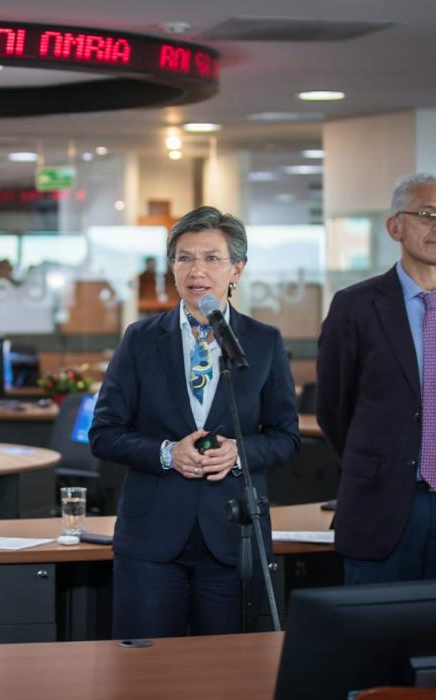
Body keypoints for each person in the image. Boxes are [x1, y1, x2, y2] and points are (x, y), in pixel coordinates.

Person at [90, 206, 299, 638]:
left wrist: (239, 452)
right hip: (151, 541)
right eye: (184, 258)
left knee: (227, 675)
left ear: (236, 269)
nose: (196, 270)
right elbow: (105, 433)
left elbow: (286, 437)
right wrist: (167, 453)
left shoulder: (262, 342)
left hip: (233, 535)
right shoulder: (141, 339)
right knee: (144, 675)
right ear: (172, 268)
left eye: (211, 258)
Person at [316, 173, 436, 584]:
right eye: (428, 214)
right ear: (395, 227)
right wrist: (376, 468)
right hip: (382, 502)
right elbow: (333, 408)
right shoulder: (355, 306)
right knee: (374, 639)